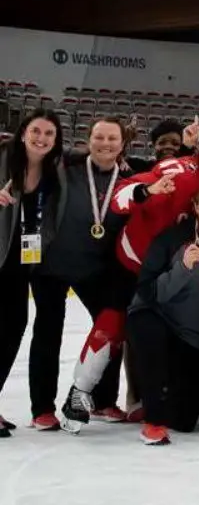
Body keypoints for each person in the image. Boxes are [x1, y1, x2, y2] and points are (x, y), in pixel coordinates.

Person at [62, 120, 199, 432]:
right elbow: (122, 195)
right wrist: (147, 191)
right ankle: (79, 392)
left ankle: (175, 397)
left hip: (179, 271)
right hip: (135, 262)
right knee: (114, 321)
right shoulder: (173, 169)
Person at [31, 118, 132, 431]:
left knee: (110, 328)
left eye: (112, 139)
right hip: (51, 267)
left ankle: (103, 401)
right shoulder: (66, 166)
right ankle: (42, 408)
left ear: (122, 143)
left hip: (96, 270)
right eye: (99, 137)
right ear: (88, 140)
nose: (106, 144)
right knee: (48, 333)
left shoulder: (128, 177)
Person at [126, 184, 199, 445]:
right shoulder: (172, 239)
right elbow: (150, 292)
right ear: (195, 208)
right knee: (154, 343)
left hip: (192, 332)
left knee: (186, 421)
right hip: (154, 314)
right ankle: (153, 421)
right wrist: (183, 268)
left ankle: (158, 400)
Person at [0, 109, 64, 436]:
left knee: (30, 325)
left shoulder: (57, 169)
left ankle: (38, 407)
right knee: (9, 325)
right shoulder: (3, 160)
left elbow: (96, 157)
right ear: (23, 132)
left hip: (33, 258)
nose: (41, 138)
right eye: (36, 131)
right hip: (3, 257)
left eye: (49, 134)